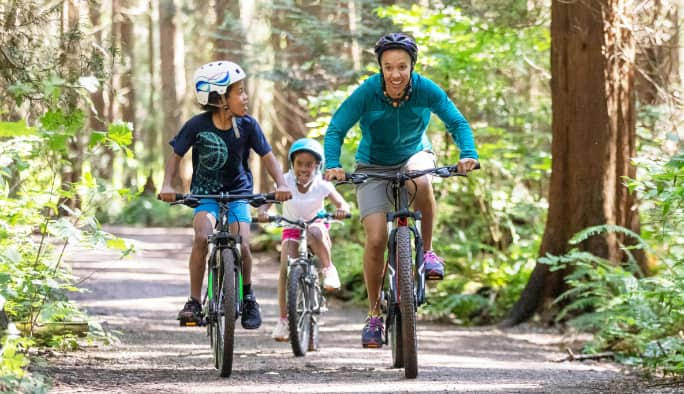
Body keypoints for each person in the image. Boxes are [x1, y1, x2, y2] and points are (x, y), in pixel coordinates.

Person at [323, 33, 479, 348]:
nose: (396, 74)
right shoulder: (368, 91)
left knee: (421, 178)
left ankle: (429, 252)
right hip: (372, 165)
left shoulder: (425, 89)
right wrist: (333, 163)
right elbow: (337, 127)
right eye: (388, 67)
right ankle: (374, 315)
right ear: (380, 67)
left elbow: (457, 122)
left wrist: (468, 153)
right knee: (377, 237)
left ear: (412, 67)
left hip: (414, 155)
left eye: (402, 67)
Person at [158, 60, 291, 330]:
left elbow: (268, 157)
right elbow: (176, 155)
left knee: (242, 243)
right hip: (205, 195)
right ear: (219, 98)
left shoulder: (248, 125)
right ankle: (194, 301)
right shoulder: (197, 125)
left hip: (238, 194)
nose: (245, 97)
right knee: (200, 236)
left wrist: (280, 184)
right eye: (238, 92)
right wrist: (167, 185)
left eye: (244, 91)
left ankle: (249, 294)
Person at [257, 138, 351, 342]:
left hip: (315, 226)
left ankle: (328, 269)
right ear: (293, 164)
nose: (304, 168)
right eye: (300, 163)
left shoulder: (322, 184)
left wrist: (342, 209)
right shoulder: (285, 181)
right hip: (291, 227)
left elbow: (340, 202)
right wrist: (263, 212)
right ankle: (284, 320)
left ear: (317, 165)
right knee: (285, 266)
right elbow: (268, 200)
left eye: (309, 164)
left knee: (316, 232)